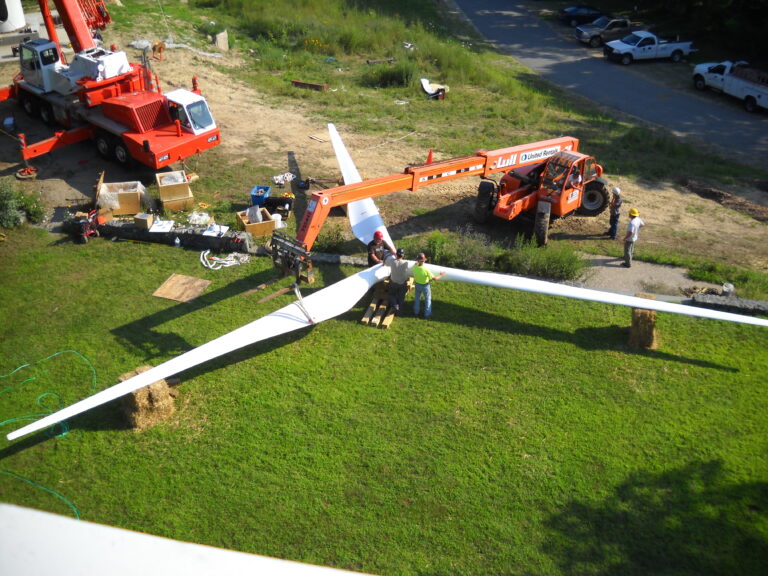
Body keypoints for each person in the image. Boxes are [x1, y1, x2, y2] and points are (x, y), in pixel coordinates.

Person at [412, 252, 446, 319]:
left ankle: (416, 312)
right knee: (427, 299)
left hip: (417, 284)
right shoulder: (425, 270)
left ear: (417, 260)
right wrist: (441, 275)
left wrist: (416, 264)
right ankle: (427, 314)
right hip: (425, 286)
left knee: (417, 298)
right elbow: (434, 278)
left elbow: (415, 265)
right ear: (424, 260)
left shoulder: (414, 267)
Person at [384, 248, 410, 312]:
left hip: (393, 283)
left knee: (391, 295)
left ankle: (395, 305)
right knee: (401, 297)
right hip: (402, 283)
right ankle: (399, 312)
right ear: (403, 255)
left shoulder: (392, 261)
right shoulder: (406, 263)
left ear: (396, 254)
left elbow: (385, 262)